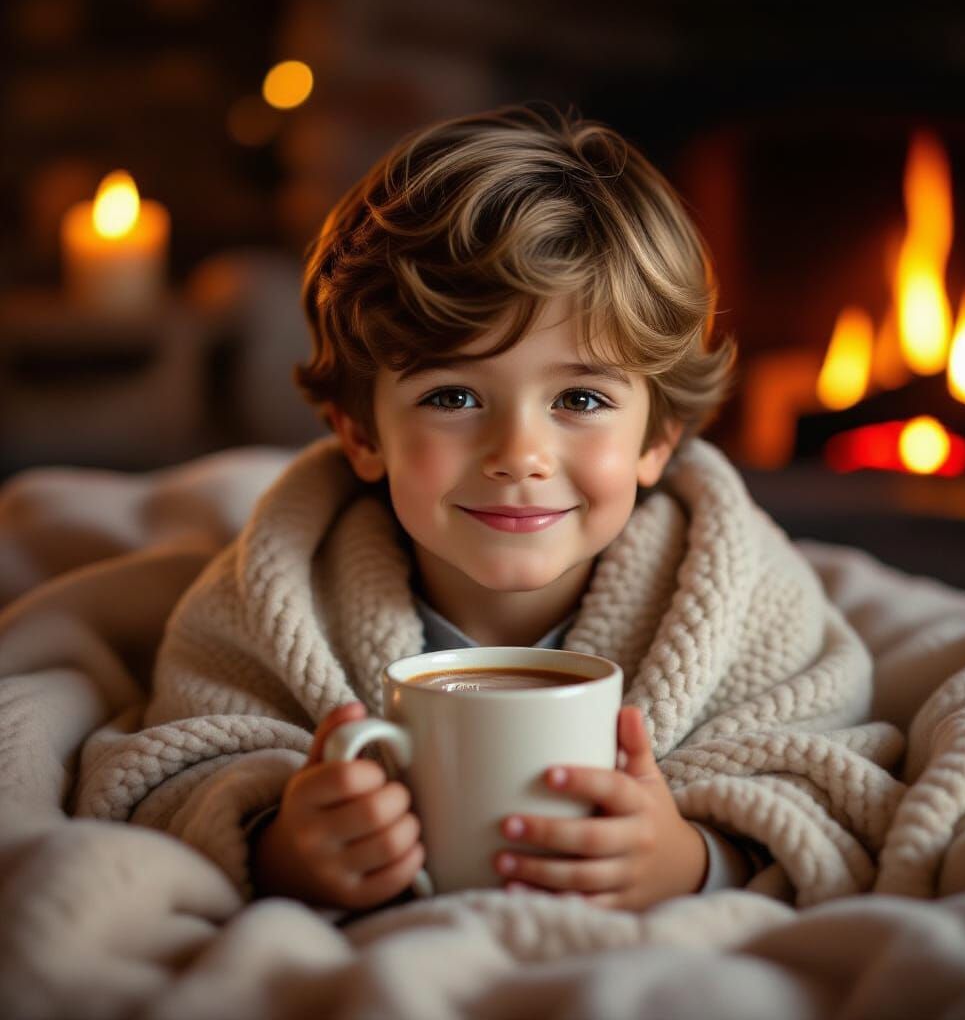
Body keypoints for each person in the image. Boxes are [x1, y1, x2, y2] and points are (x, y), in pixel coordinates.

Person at [73, 102, 900, 918]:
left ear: (657, 438)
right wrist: (283, 848)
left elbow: (829, 785)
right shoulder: (272, 596)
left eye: (580, 398)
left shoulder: (745, 599)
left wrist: (691, 860)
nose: (519, 453)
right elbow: (174, 774)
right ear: (362, 433)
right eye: (454, 395)